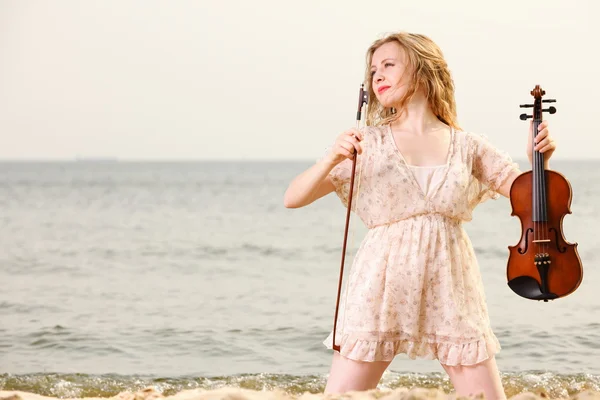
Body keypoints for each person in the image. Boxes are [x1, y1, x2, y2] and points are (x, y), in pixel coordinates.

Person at [283, 32, 556, 400]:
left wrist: (539, 163)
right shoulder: (368, 143)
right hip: (380, 286)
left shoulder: (467, 146)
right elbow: (293, 198)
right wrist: (332, 156)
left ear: (423, 69)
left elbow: (531, 202)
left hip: (452, 286)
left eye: (389, 65)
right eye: (373, 70)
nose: (377, 75)